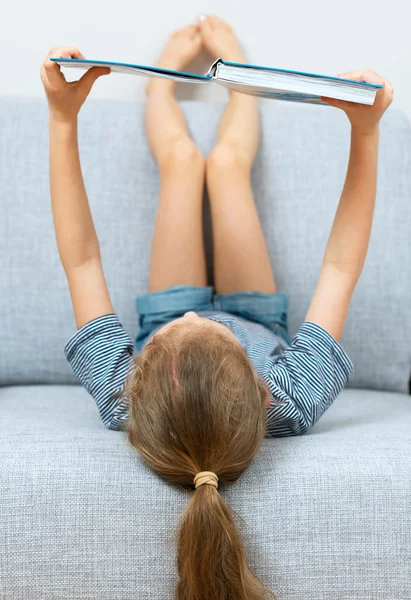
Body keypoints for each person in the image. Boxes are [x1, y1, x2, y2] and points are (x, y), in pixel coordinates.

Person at [40, 15, 393, 600]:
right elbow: (339, 267)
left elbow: (81, 260)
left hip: (173, 321)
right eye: (204, 326)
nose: (196, 313)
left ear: (137, 379)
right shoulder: (294, 396)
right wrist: (366, 135)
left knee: (182, 160)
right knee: (226, 165)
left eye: (176, 330)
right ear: (262, 388)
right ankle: (240, 76)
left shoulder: (121, 393)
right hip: (258, 313)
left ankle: (160, 88)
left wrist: (61, 119)